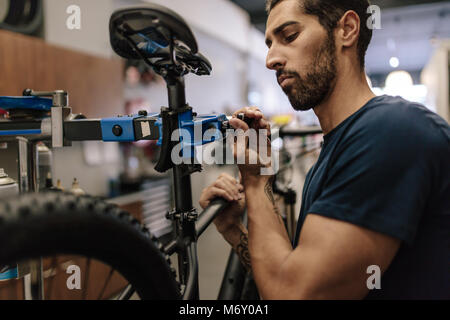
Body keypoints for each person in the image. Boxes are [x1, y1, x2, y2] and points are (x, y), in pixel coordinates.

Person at [199, 0, 449, 299]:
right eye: (269, 44)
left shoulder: (392, 130)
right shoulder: (338, 148)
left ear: (347, 29)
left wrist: (254, 182)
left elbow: (293, 293)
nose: (271, 59)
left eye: (289, 36)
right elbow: (287, 272)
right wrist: (234, 228)